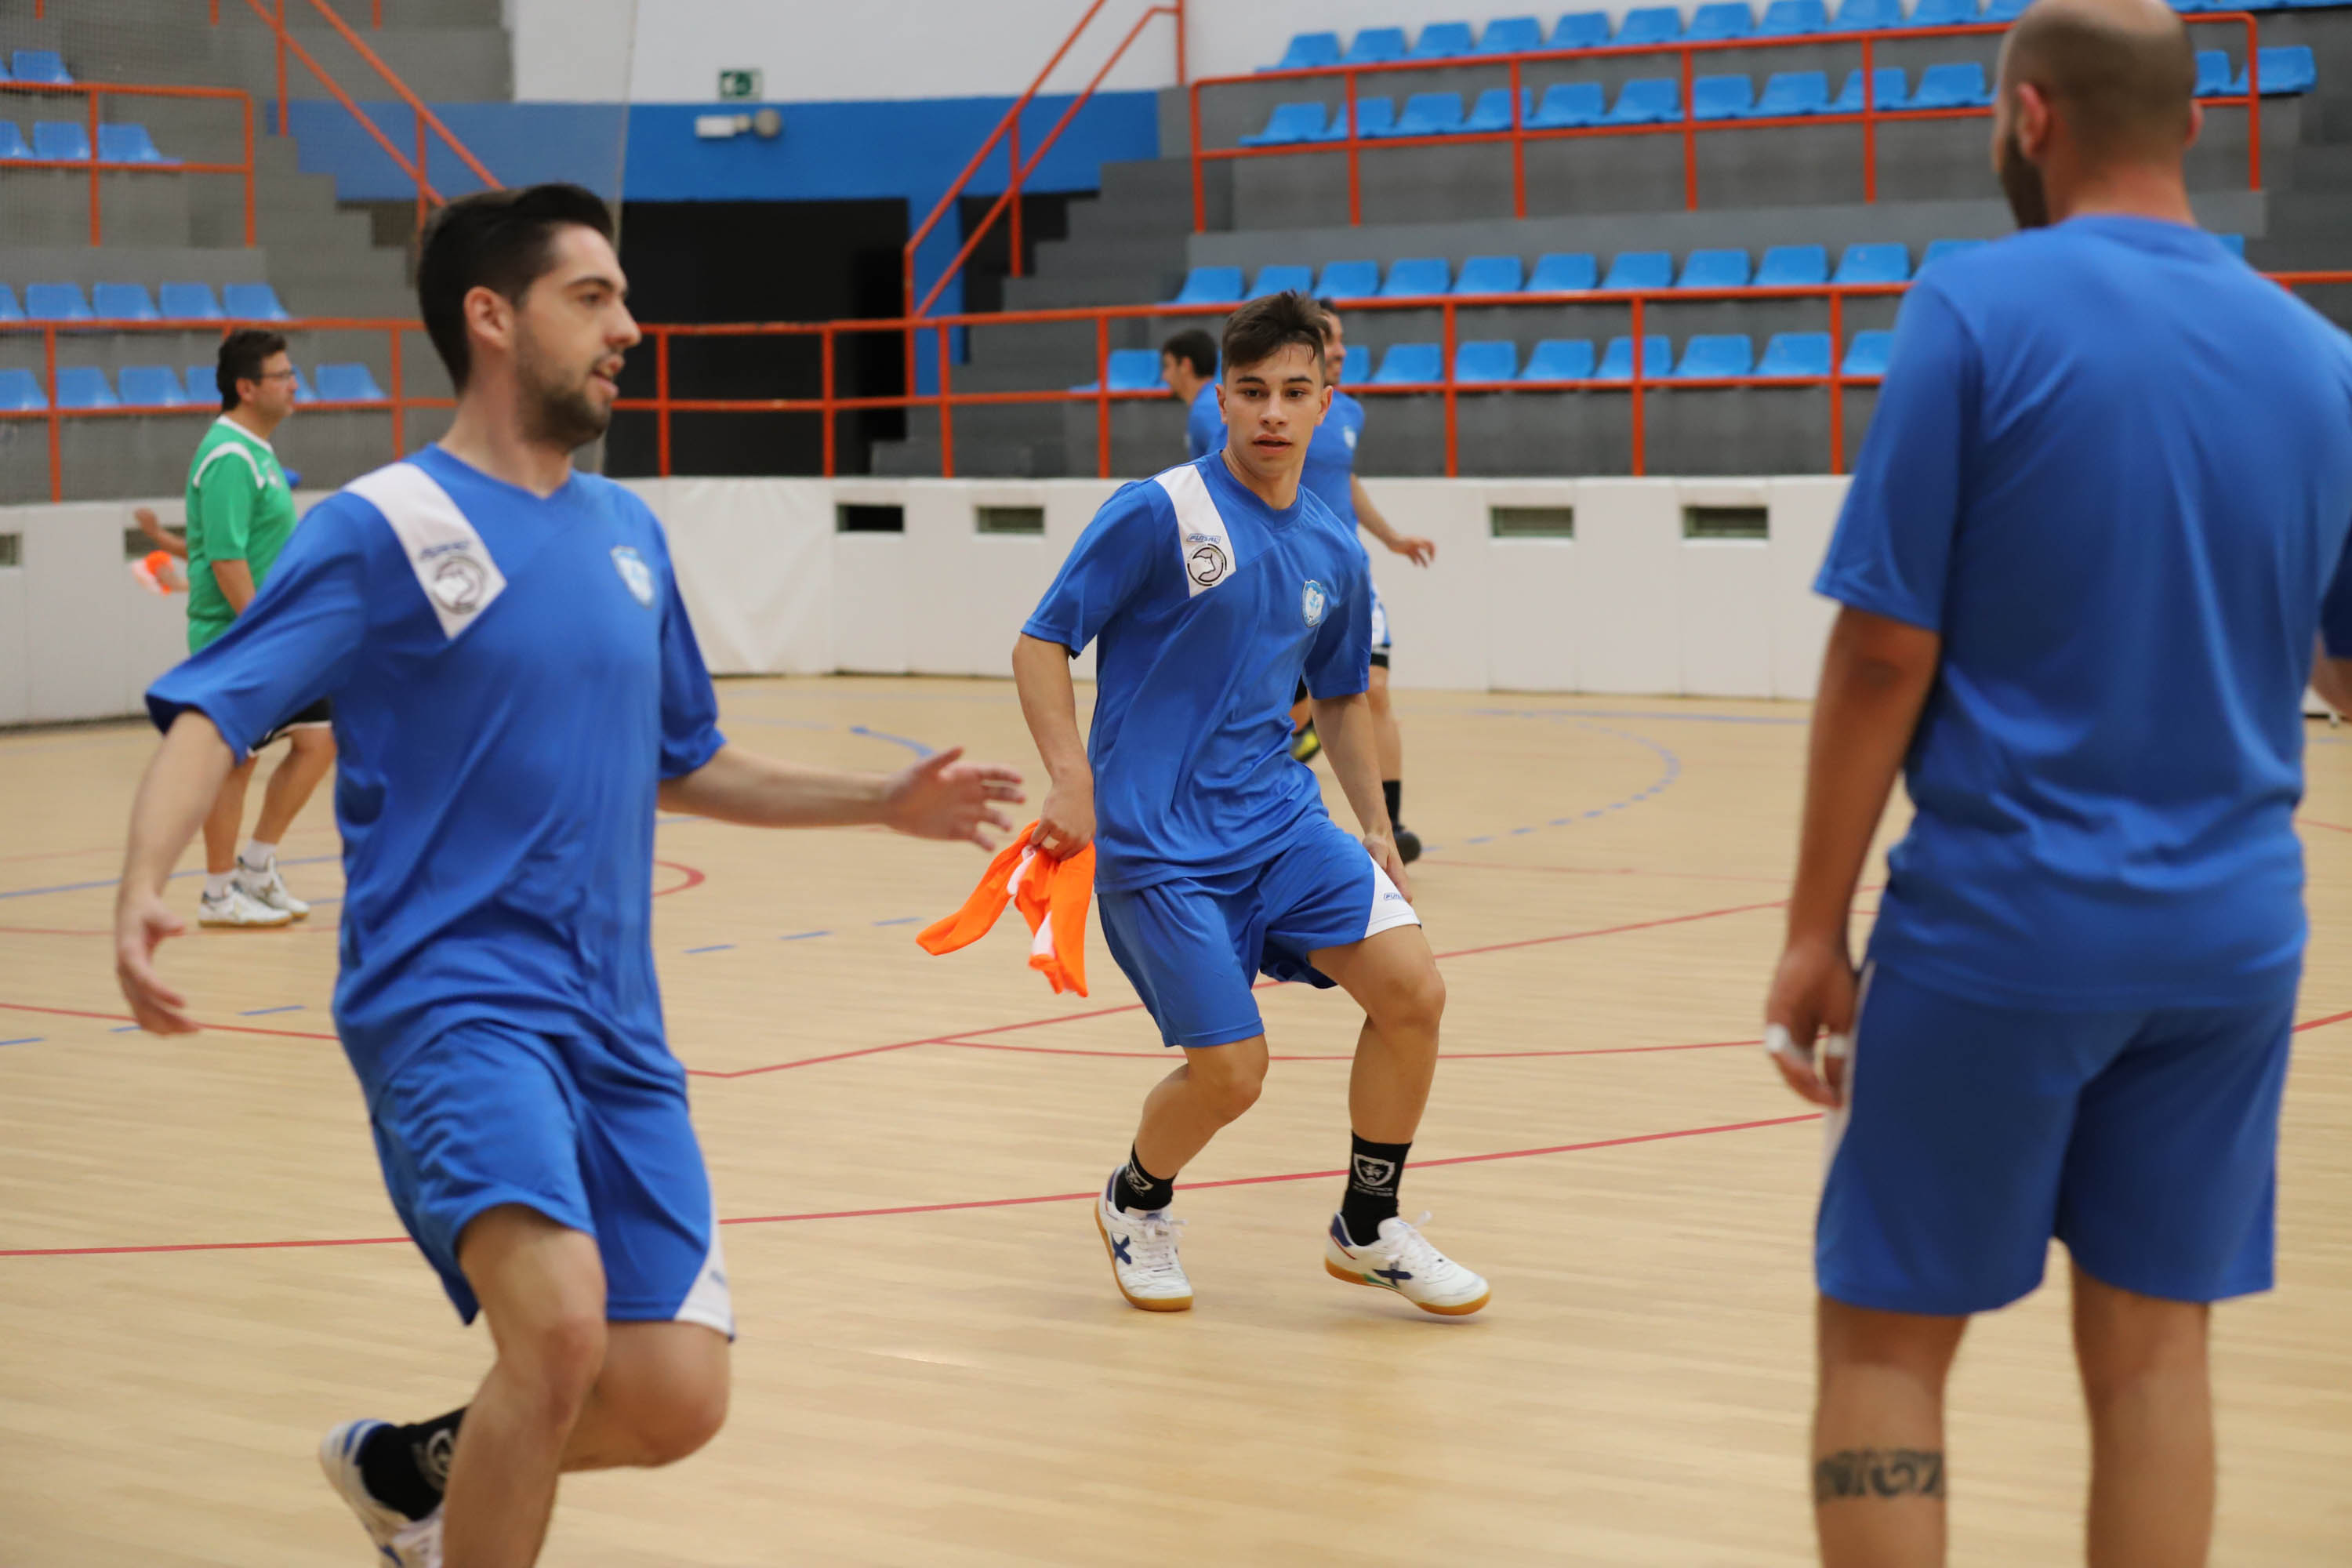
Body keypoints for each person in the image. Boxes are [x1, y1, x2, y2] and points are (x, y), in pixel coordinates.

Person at [111, 184, 1025, 1568]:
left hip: (617, 1018)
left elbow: (684, 760)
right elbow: (217, 708)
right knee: (559, 1329)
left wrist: (877, 804)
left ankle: (417, 1474)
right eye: (593, 298)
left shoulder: (626, 537)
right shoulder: (385, 528)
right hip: (451, 1002)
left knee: (672, 1396)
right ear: (492, 316)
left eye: (625, 298)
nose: (631, 329)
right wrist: (144, 881)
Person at [1760, 2, 2352, 1563]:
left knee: (1886, 1340)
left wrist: (1814, 928)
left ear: (2029, 120)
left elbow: (1886, 653)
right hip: (2229, 948)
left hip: (2003, 931)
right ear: (2196, 127)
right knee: (2159, 1356)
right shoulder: (2321, 358)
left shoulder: (1974, 306)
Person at [1012, 290, 1487, 1319]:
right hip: (1160, 848)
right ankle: (1135, 1200)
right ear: (1222, 399)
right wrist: (1068, 774)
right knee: (1232, 1074)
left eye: (1294, 393)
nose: (1273, 412)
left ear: (1328, 402)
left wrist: (1370, 820)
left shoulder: (1332, 545)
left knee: (1414, 991)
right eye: (1253, 391)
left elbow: (1345, 692)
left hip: (1282, 825)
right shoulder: (1155, 512)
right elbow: (1042, 639)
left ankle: (1368, 1226)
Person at [178, 328, 336, 927]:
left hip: (279, 635)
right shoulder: (227, 457)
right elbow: (225, 557)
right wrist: (261, 633)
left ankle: (256, 867)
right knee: (236, 761)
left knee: (319, 739)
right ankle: (219, 895)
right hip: (238, 639)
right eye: (282, 375)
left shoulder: (256, 450)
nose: (294, 384)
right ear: (247, 388)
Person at [1281, 303, 1436, 862]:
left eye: (1343, 339)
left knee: (1373, 686)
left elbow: (1344, 482)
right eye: (1330, 339)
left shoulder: (1347, 414)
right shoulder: (1281, 416)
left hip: (1348, 579)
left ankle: (1389, 827)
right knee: (1282, 702)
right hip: (1290, 580)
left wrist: (1391, 537)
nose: (1342, 350)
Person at [1162, 328, 1220, 460]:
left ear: (1185, 365)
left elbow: (1224, 471)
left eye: (1167, 366)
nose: (1164, 377)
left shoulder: (1206, 410)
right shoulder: (1210, 403)